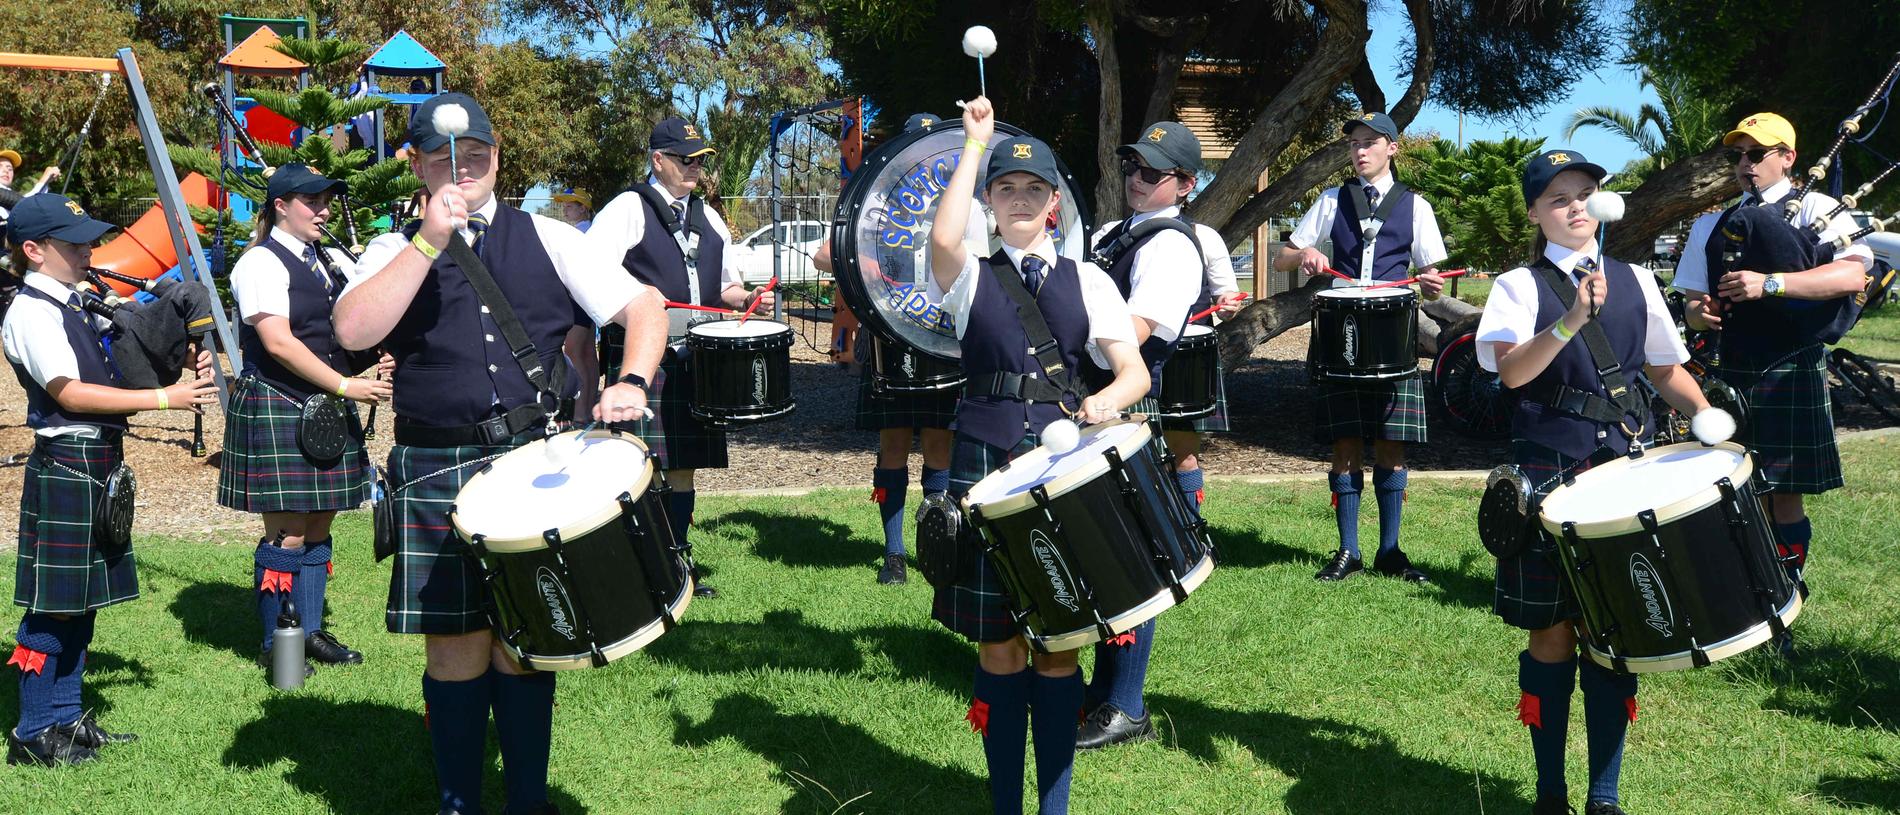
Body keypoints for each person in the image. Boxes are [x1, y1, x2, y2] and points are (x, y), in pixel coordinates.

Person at [331, 92, 666, 815]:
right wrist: (427, 241)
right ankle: (459, 803)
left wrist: (633, 379)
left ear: (497, 158)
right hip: (436, 466)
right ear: (418, 165)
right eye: (445, 158)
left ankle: (526, 800)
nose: (463, 169)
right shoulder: (394, 248)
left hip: (531, 462)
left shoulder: (548, 236)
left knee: (527, 639)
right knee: (455, 646)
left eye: (476, 156)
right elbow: (354, 329)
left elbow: (645, 308)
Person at [928, 96, 1150, 815]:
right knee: (999, 649)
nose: (1019, 199)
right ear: (990, 202)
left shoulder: (1088, 280)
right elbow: (942, 236)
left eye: (1033, 189)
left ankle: (1052, 808)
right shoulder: (967, 279)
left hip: (1065, 477)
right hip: (986, 470)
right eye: (1005, 189)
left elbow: (1134, 370)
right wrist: (972, 148)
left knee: (1058, 649)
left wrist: (1112, 399)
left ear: (1054, 204)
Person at [1476, 149, 1714, 815]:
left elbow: (1666, 370)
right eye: (1558, 197)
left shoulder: (1637, 279)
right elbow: (1513, 373)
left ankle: (1604, 796)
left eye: (1584, 193)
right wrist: (1570, 319)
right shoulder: (1517, 287)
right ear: (1534, 213)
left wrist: (1707, 414)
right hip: (1549, 471)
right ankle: (1550, 793)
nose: (1575, 206)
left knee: (1616, 634)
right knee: (1552, 632)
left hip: (1624, 470)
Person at [2, 194, 217, 765]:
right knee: (55, 606)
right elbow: (69, 391)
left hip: (97, 462)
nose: (87, 250)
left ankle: (67, 717)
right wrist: (165, 400)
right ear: (34, 251)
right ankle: (31, 731)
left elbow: (129, 349)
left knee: (83, 602)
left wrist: (181, 348)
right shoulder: (31, 311)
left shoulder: (76, 301)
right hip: (67, 462)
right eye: (73, 243)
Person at [1676, 112, 1872, 604]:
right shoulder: (1710, 223)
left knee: (1784, 490)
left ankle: (1785, 593)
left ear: (1787, 158)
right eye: (1735, 156)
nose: (1745, 165)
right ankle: (1750, 591)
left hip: (1790, 364)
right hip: (1733, 366)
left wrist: (1769, 284)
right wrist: (1704, 314)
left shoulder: (1820, 210)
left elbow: (1851, 277)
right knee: (1740, 487)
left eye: (1756, 154)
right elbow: (1692, 305)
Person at [585, 116, 777, 600]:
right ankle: (639, 568)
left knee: (683, 466)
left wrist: (746, 297)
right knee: (638, 464)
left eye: (700, 160)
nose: (695, 168)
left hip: (697, 359)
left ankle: (678, 563)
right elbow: (587, 275)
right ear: (659, 161)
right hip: (642, 360)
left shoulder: (709, 217)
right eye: (685, 160)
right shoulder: (629, 208)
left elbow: (724, 285)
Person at [218, 163, 392, 677]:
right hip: (280, 400)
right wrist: (345, 385)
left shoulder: (330, 259)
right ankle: (279, 644)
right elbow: (277, 341)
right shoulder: (259, 263)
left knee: (319, 522)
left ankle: (309, 631)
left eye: (327, 200)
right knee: (288, 532)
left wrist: (373, 357)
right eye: (311, 201)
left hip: (323, 407)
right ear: (280, 206)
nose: (323, 210)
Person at [1073, 120, 1207, 751]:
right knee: (1095, 551)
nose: (1136, 177)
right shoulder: (1111, 235)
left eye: (1152, 172)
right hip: (1091, 403)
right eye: (1132, 165)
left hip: (1124, 405)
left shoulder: (1173, 247)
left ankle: (1125, 703)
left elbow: (1135, 330)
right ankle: (1101, 693)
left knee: (1130, 559)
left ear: (1185, 184)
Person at [1275, 112, 1447, 584]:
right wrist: (1304, 254)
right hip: (1342, 334)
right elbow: (1282, 255)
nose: (1360, 151)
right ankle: (1348, 550)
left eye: (1370, 142)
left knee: (1392, 443)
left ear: (1393, 148)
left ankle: (1390, 551)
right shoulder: (1332, 200)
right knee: (1345, 443)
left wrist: (1430, 283)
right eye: (1354, 143)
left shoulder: (1417, 207)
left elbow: (1432, 280)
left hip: (1394, 335)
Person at [813, 112, 959, 586]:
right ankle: (894, 554)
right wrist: (865, 255)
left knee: (940, 443)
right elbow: (822, 254)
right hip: (889, 336)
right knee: (893, 443)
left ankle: (934, 546)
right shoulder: (876, 199)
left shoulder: (957, 198)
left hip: (941, 334)